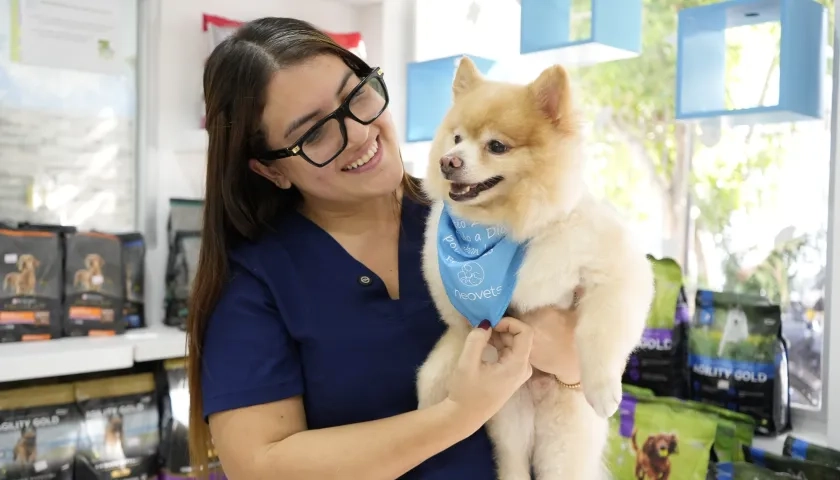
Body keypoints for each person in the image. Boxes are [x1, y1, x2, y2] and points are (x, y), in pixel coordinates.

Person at [187, 16, 584, 480]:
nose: (359, 133)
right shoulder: (257, 282)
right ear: (271, 170)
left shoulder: (482, 215)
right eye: (313, 133)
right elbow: (260, 466)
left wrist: (570, 363)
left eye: (357, 95)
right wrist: (457, 413)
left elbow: (583, 372)